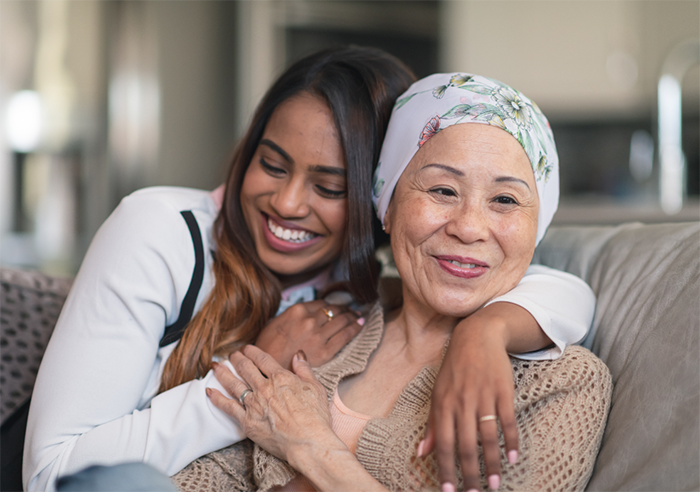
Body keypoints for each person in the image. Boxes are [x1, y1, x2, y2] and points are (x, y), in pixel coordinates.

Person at [25, 48, 593, 492]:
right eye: (271, 164)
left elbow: (556, 285)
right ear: (391, 204)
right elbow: (64, 477)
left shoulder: (358, 288)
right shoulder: (165, 232)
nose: (289, 204)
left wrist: (486, 331)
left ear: (374, 203)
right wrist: (251, 377)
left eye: (328, 186)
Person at [175, 73, 612, 492]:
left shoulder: (562, 384)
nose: (469, 227)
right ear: (387, 205)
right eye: (442, 190)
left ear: (536, 228)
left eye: (505, 200)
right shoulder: (323, 329)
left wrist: (313, 450)